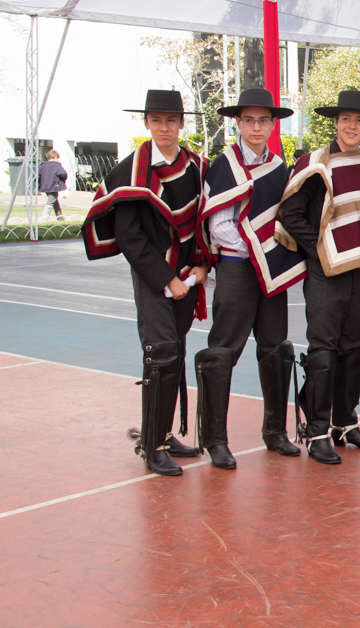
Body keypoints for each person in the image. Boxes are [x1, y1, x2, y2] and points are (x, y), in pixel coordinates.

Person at [82, 89, 208, 476]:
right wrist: (167, 279)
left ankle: (164, 434)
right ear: (146, 123)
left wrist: (201, 264)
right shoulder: (132, 172)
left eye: (171, 120)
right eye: (156, 120)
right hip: (154, 276)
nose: (164, 127)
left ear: (182, 123)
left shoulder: (196, 167)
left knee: (175, 351)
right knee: (160, 353)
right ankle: (152, 446)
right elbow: (129, 236)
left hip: (188, 276)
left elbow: (202, 222)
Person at [194, 88, 307, 469]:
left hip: (270, 271)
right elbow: (218, 225)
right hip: (237, 267)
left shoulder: (278, 167)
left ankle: (275, 432)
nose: (256, 127)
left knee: (275, 348)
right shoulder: (224, 165)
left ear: (273, 125)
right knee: (223, 350)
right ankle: (215, 439)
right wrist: (257, 251)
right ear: (238, 123)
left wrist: (271, 255)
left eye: (263, 120)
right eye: (248, 120)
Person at [276, 90, 360, 462]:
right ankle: (316, 431)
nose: (352, 126)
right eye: (346, 119)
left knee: (353, 346)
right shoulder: (314, 164)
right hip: (325, 271)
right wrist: (323, 251)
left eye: (359, 120)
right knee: (323, 348)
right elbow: (291, 215)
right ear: (336, 123)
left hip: (358, 268)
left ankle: (344, 423)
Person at [38, 149, 67, 221]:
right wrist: (62, 180)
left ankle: (60, 219)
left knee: (54, 201)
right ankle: (43, 220)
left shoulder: (42, 165)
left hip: (45, 187)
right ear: (55, 157)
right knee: (50, 203)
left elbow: (38, 175)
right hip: (54, 186)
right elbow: (63, 174)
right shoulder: (56, 165)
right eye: (58, 158)